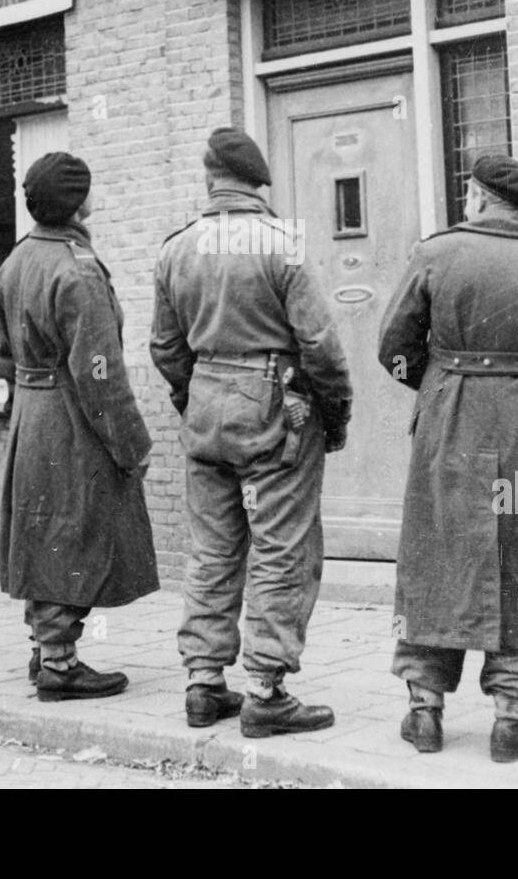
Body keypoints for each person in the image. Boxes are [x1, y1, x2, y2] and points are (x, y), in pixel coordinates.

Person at [377, 153, 518, 760]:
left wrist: (439, 387)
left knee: (437, 551)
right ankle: (513, 717)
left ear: (479, 198)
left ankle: (424, 710)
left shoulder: (434, 253)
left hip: (447, 420)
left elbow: (393, 347)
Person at [151, 127, 352, 737]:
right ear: (257, 183)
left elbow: (163, 347)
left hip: (205, 411)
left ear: (211, 177)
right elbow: (321, 344)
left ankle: (204, 683)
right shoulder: (280, 244)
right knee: (281, 546)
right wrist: (334, 413)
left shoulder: (176, 248)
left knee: (211, 549)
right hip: (275, 409)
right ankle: (265, 690)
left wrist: (196, 395)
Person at [0, 152, 158, 701]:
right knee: (78, 529)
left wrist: (26, 402)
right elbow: (100, 373)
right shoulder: (77, 268)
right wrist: (131, 443)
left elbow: (2, 354)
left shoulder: (15, 262)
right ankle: (60, 666)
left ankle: (44, 647)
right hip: (71, 418)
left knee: (43, 528)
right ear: (76, 202)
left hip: (29, 412)